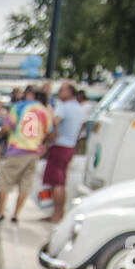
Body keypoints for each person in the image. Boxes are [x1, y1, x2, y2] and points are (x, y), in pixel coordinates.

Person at [0, 86, 52, 224]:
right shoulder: (44, 110)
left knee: (5, 182)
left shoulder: (19, 107)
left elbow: (7, 127)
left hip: (17, 149)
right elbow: (48, 131)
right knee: (25, 184)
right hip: (34, 152)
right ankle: (15, 214)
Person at [44, 81, 84, 224]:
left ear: (70, 92)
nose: (59, 93)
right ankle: (59, 213)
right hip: (70, 146)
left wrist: (50, 137)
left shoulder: (64, 107)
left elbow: (54, 121)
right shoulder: (79, 108)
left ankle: (56, 215)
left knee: (57, 182)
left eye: (61, 90)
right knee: (61, 180)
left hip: (59, 146)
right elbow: (82, 127)